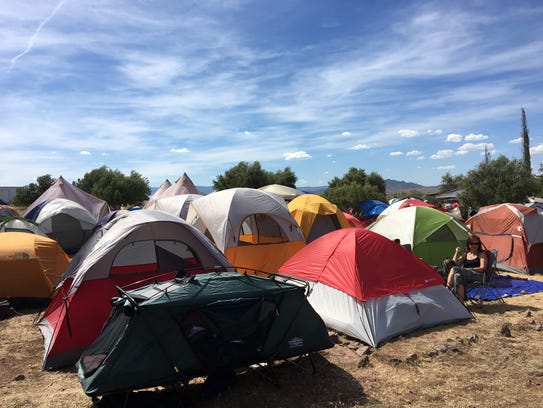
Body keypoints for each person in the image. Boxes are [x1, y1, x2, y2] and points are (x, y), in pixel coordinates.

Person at [446, 235, 488, 302]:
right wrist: (457, 252)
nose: (473, 245)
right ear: (468, 244)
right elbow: (455, 263)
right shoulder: (466, 254)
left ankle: (447, 290)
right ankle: (461, 303)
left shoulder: (481, 254)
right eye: (471, 244)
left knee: (454, 269)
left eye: (476, 244)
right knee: (457, 276)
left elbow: (482, 268)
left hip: (478, 275)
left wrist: (469, 269)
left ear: (479, 245)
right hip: (465, 274)